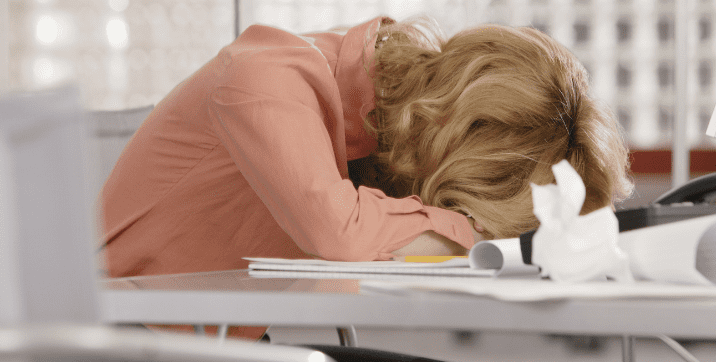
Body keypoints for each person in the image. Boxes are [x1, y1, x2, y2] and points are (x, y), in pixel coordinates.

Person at [98, 14, 632, 338]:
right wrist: (487, 237)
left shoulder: (380, 136)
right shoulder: (265, 76)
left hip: (216, 341)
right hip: (120, 341)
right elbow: (340, 234)